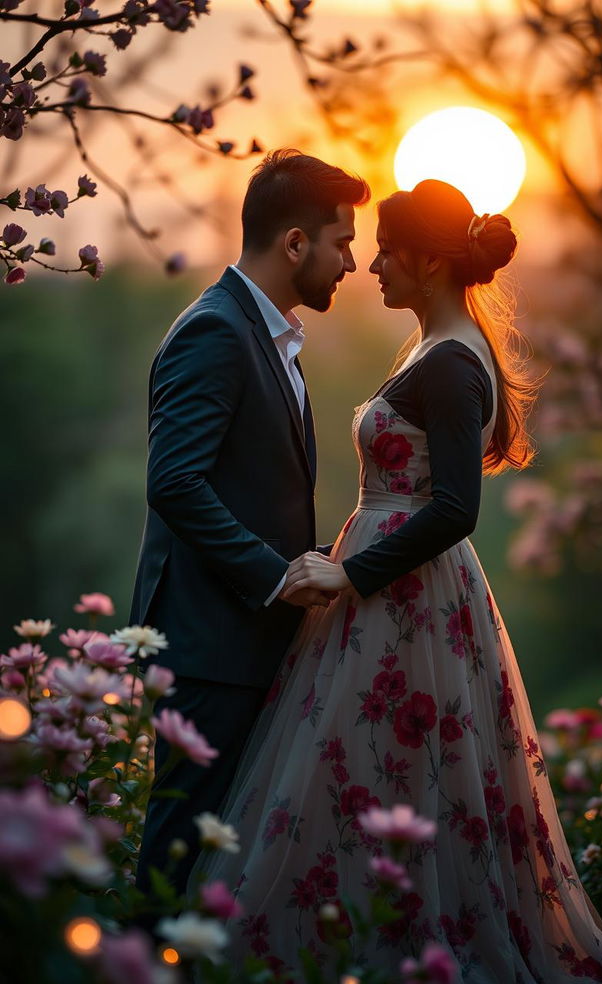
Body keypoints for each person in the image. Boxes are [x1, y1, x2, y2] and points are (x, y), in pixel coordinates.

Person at [192, 180, 602, 983]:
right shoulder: (432, 349)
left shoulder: (454, 364)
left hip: (404, 600)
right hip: (383, 596)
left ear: (430, 262)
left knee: (392, 770)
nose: (372, 265)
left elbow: (457, 509)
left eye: (390, 250)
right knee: (358, 773)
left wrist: (350, 573)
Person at [130, 149, 370, 901]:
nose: (353, 263)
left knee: (217, 871)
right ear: (295, 243)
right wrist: (275, 576)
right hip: (210, 651)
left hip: (242, 646)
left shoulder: (264, 332)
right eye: (342, 242)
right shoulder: (216, 332)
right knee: (176, 869)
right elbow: (173, 481)